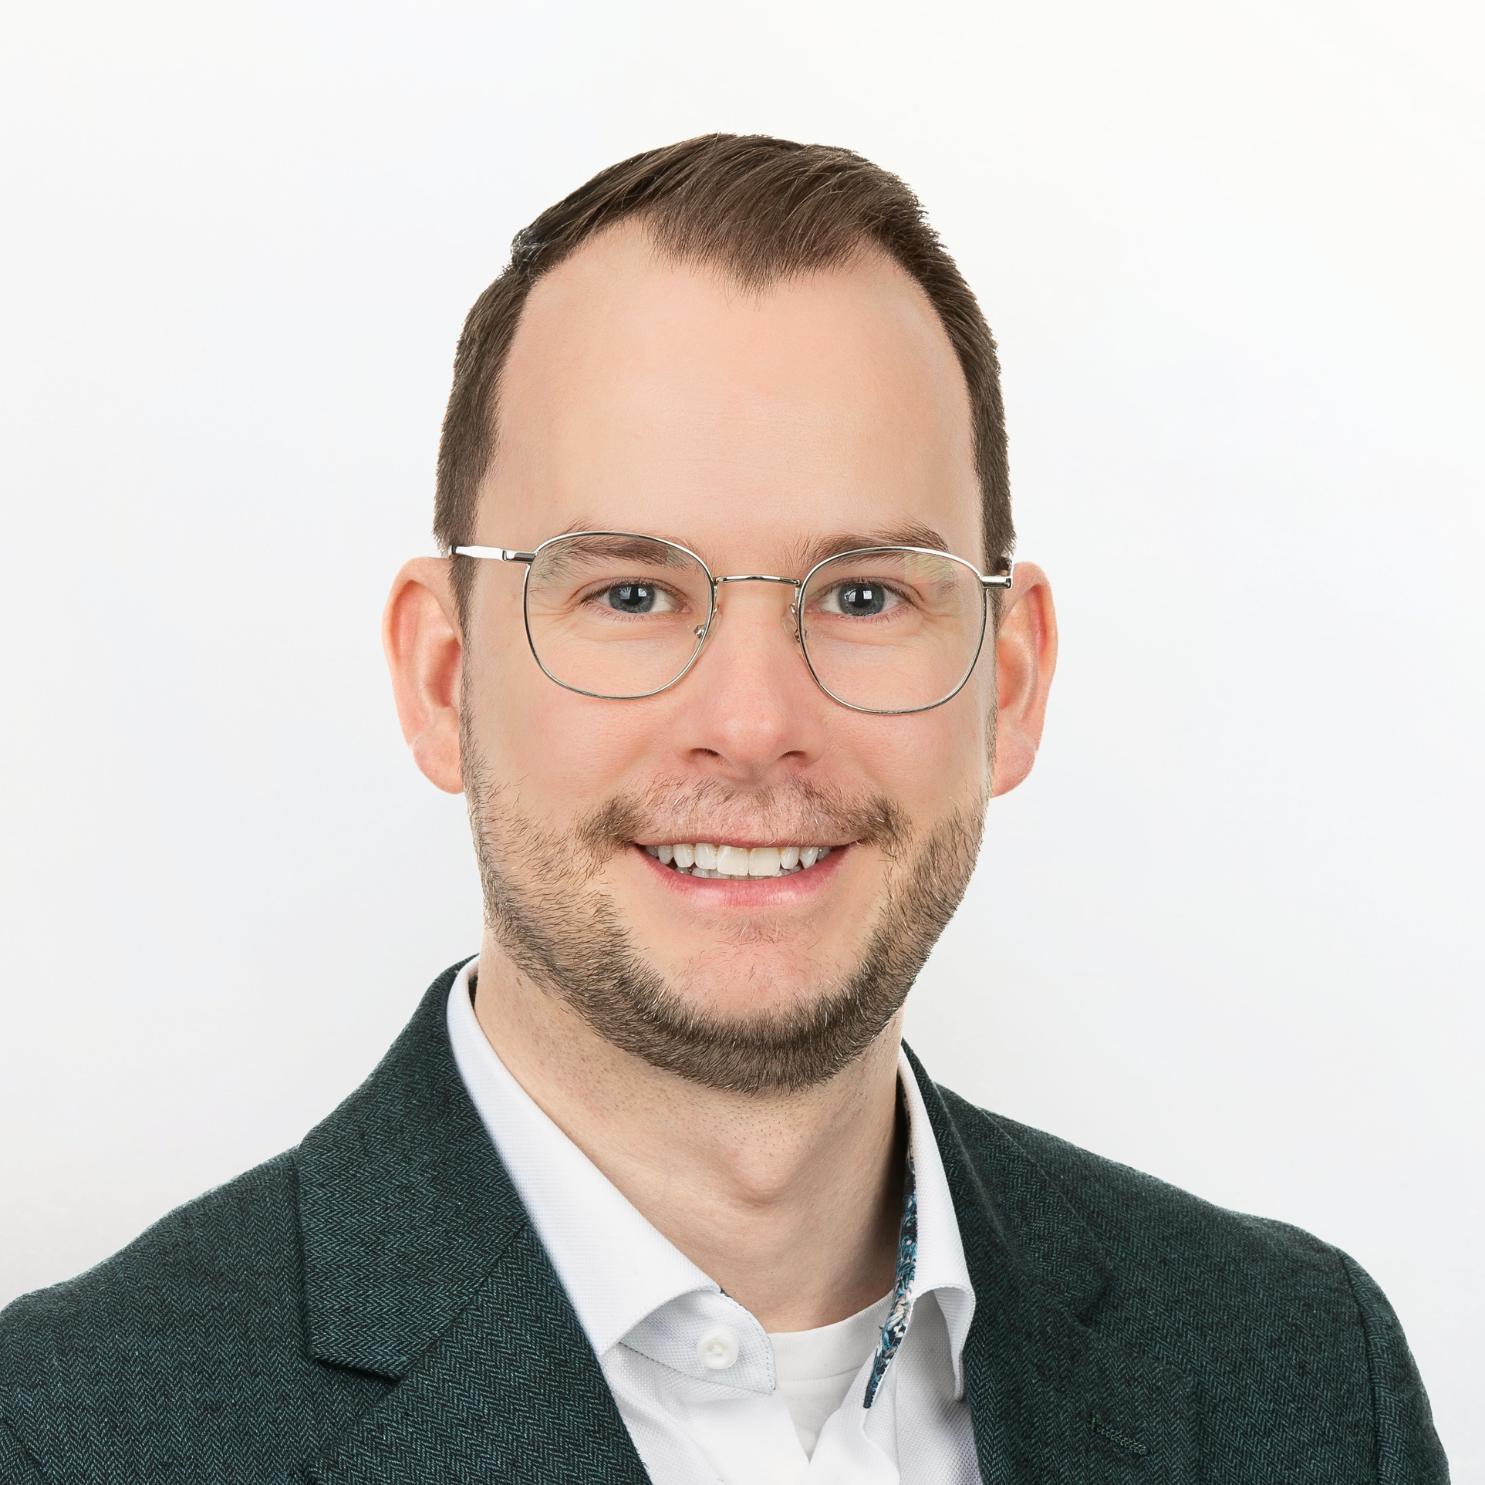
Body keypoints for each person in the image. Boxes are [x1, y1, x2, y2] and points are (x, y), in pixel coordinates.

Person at [0, 134, 1447, 1485]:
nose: (755, 724)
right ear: (443, 678)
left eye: (868, 594)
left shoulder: (1308, 1383)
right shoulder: (67, 1432)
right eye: (631, 593)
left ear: (1009, 682)